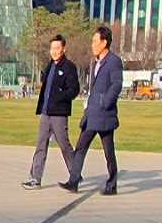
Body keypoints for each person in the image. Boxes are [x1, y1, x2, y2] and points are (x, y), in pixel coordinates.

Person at [60, 25, 123, 196]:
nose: (92, 44)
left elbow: (117, 84)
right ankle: (74, 181)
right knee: (81, 146)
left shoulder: (113, 61)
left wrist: (106, 102)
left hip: (105, 114)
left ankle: (112, 184)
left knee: (108, 150)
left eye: (95, 41)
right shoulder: (96, 63)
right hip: (92, 113)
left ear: (104, 42)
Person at [22, 35, 79, 189]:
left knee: (64, 145)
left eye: (57, 48)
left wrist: (61, 96)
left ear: (64, 49)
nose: (54, 51)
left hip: (59, 114)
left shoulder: (69, 67)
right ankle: (35, 178)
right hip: (46, 113)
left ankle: (75, 174)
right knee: (40, 144)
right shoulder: (50, 67)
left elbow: (74, 90)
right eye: (52, 48)